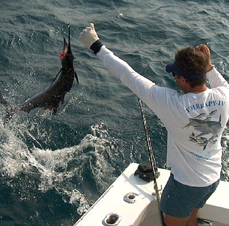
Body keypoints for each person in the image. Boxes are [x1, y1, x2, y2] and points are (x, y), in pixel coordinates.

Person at [79, 23, 229, 226]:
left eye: (175, 75)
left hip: (185, 186)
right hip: (212, 180)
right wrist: (208, 66)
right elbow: (219, 81)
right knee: (192, 217)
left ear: (184, 79)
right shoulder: (224, 95)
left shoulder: (172, 104)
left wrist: (96, 46)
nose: (174, 78)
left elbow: (127, 75)